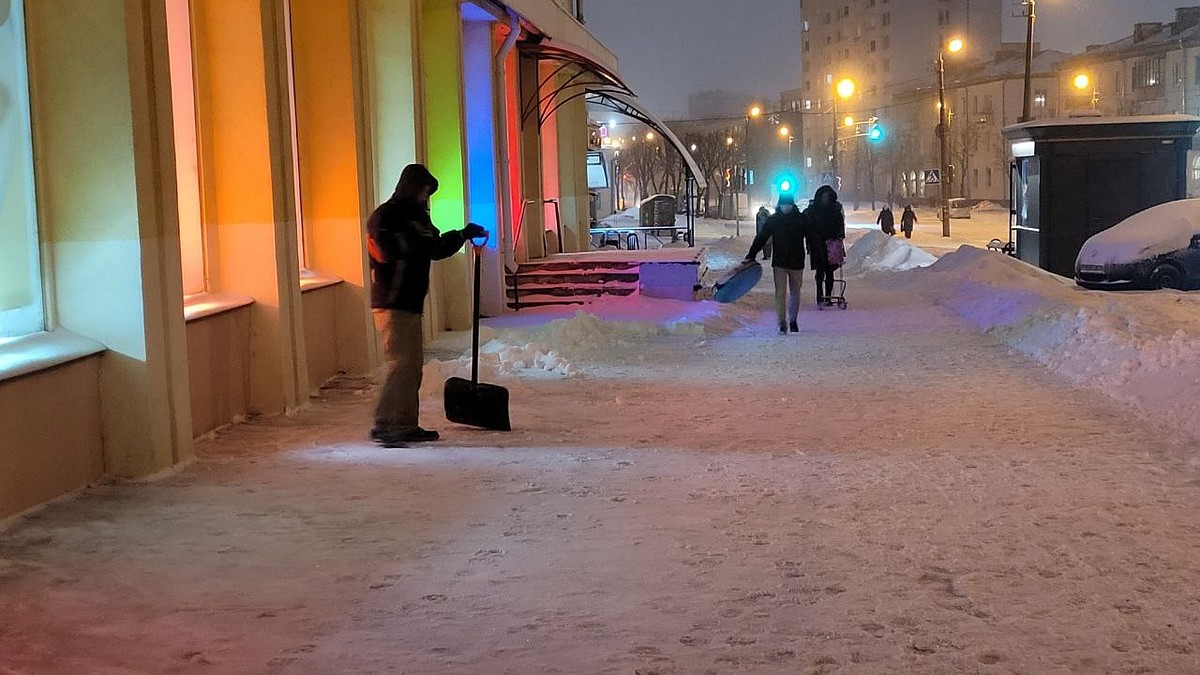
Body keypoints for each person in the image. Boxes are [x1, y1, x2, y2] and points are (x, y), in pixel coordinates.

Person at [367, 164, 487, 445]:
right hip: (392, 300)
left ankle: (404, 423)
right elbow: (386, 252)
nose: (426, 197)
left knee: (411, 366)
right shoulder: (386, 216)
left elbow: (435, 248)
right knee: (403, 364)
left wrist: (462, 234)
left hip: (410, 301)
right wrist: (414, 243)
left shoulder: (419, 217)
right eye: (423, 191)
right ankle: (388, 424)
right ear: (411, 187)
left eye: (428, 193)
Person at [746, 194, 809, 334]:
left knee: (795, 292)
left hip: (796, 261)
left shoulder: (800, 219)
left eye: (788, 204)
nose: (786, 206)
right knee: (781, 292)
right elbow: (761, 237)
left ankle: (792, 320)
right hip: (781, 261)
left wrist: (818, 253)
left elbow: (812, 236)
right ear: (780, 204)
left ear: (792, 204)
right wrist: (752, 254)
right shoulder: (775, 220)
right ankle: (782, 322)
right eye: (784, 204)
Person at [804, 185, 846, 307]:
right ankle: (820, 296)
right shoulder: (814, 210)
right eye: (823, 196)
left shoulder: (835, 208)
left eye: (827, 196)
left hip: (831, 243)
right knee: (820, 271)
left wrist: (839, 238)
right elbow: (809, 226)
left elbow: (840, 225)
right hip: (817, 243)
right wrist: (810, 241)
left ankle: (827, 296)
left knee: (829, 271)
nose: (825, 198)